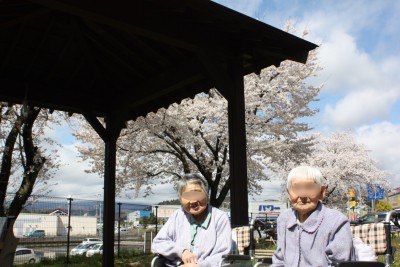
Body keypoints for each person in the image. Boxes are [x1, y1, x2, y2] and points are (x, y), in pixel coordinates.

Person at [272, 166, 354, 267]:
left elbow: (340, 263)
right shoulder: (284, 219)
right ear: (288, 193)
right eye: (296, 188)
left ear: (321, 192)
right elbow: (279, 260)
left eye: (309, 187)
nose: (302, 195)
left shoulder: (336, 221)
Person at [151, 173, 232, 267]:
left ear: (206, 194)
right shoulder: (178, 215)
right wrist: (182, 252)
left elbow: (222, 256)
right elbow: (158, 243)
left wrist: (198, 266)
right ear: (180, 199)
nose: (193, 201)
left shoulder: (220, 218)